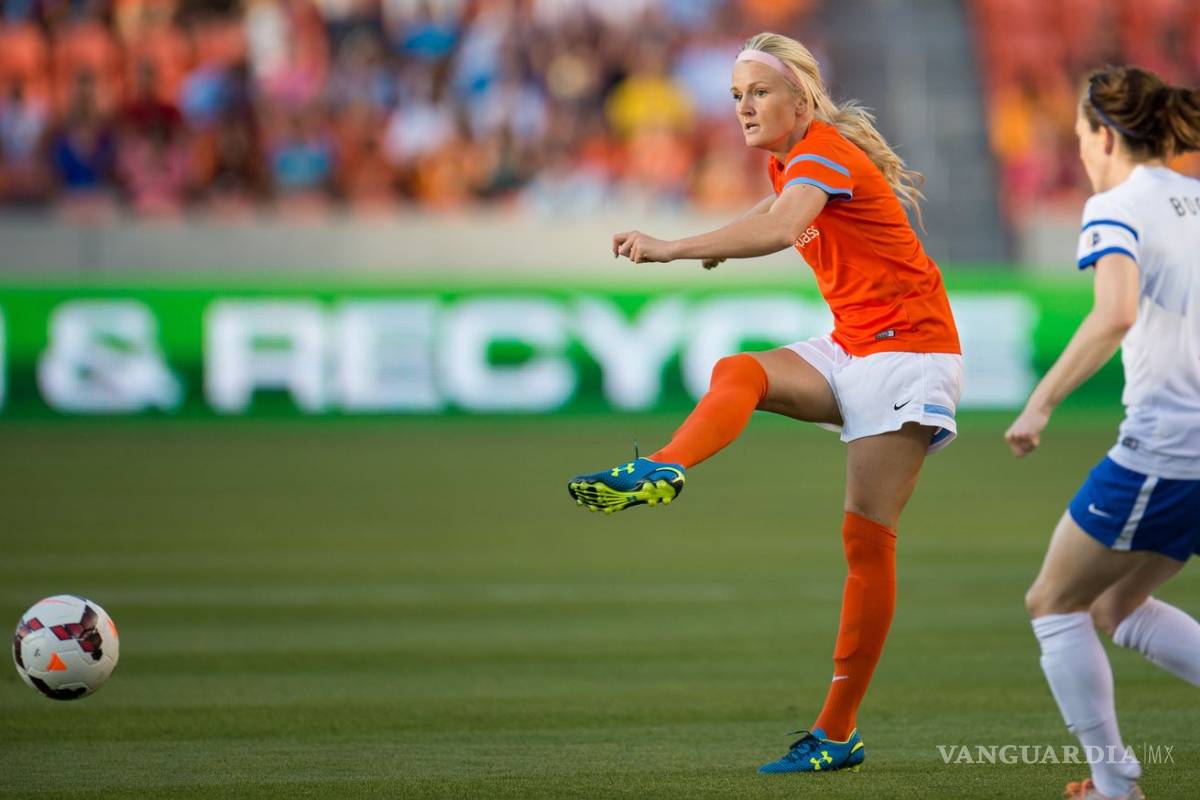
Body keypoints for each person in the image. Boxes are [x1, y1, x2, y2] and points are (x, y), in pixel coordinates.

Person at [566, 31, 963, 774]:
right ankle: (663, 467)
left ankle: (838, 734)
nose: (744, 107)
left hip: (909, 354)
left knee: (866, 544)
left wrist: (674, 246)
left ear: (801, 98)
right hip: (857, 345)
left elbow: (783, 226)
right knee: (738, 370)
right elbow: (783, 207)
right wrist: (724, 241)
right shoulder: (799, 156)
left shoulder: (817, 152)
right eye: (736, 96)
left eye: (759, 92)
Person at [1008, 65, 1200, 800]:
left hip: (1169, 448)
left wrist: (1042, 402)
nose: (1081, 149)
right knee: (1114, 608)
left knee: (1052, 604)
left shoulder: (1116, 205)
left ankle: (1115, 786)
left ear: (1104, 134)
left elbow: (1114, 312)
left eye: (1081, 132)